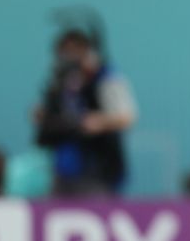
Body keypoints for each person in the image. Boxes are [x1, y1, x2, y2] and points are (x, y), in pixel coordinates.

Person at [34, 29, 138, 197]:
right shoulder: (60, 83)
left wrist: (100, 122)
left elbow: (128, 116)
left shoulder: (106, 78)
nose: (70, 58)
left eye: (75, 52)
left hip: (97, 170)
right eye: (65, 52)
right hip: (63, 172)